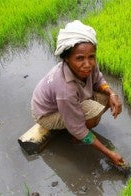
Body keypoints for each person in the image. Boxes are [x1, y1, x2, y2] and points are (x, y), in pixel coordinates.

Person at [31, 20, 125, 166]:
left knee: (107, 98)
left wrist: (113, 94)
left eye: (91, 57)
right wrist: (109, 153)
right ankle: (76, 138)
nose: (87, 64)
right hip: (47, 114)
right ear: (66, 59)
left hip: (69, 102)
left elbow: (98, 80)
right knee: (92, 113)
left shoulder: (89, 64)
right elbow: (77, 127)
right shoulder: (65, 89)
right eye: (80, 58)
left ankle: (79, 126)